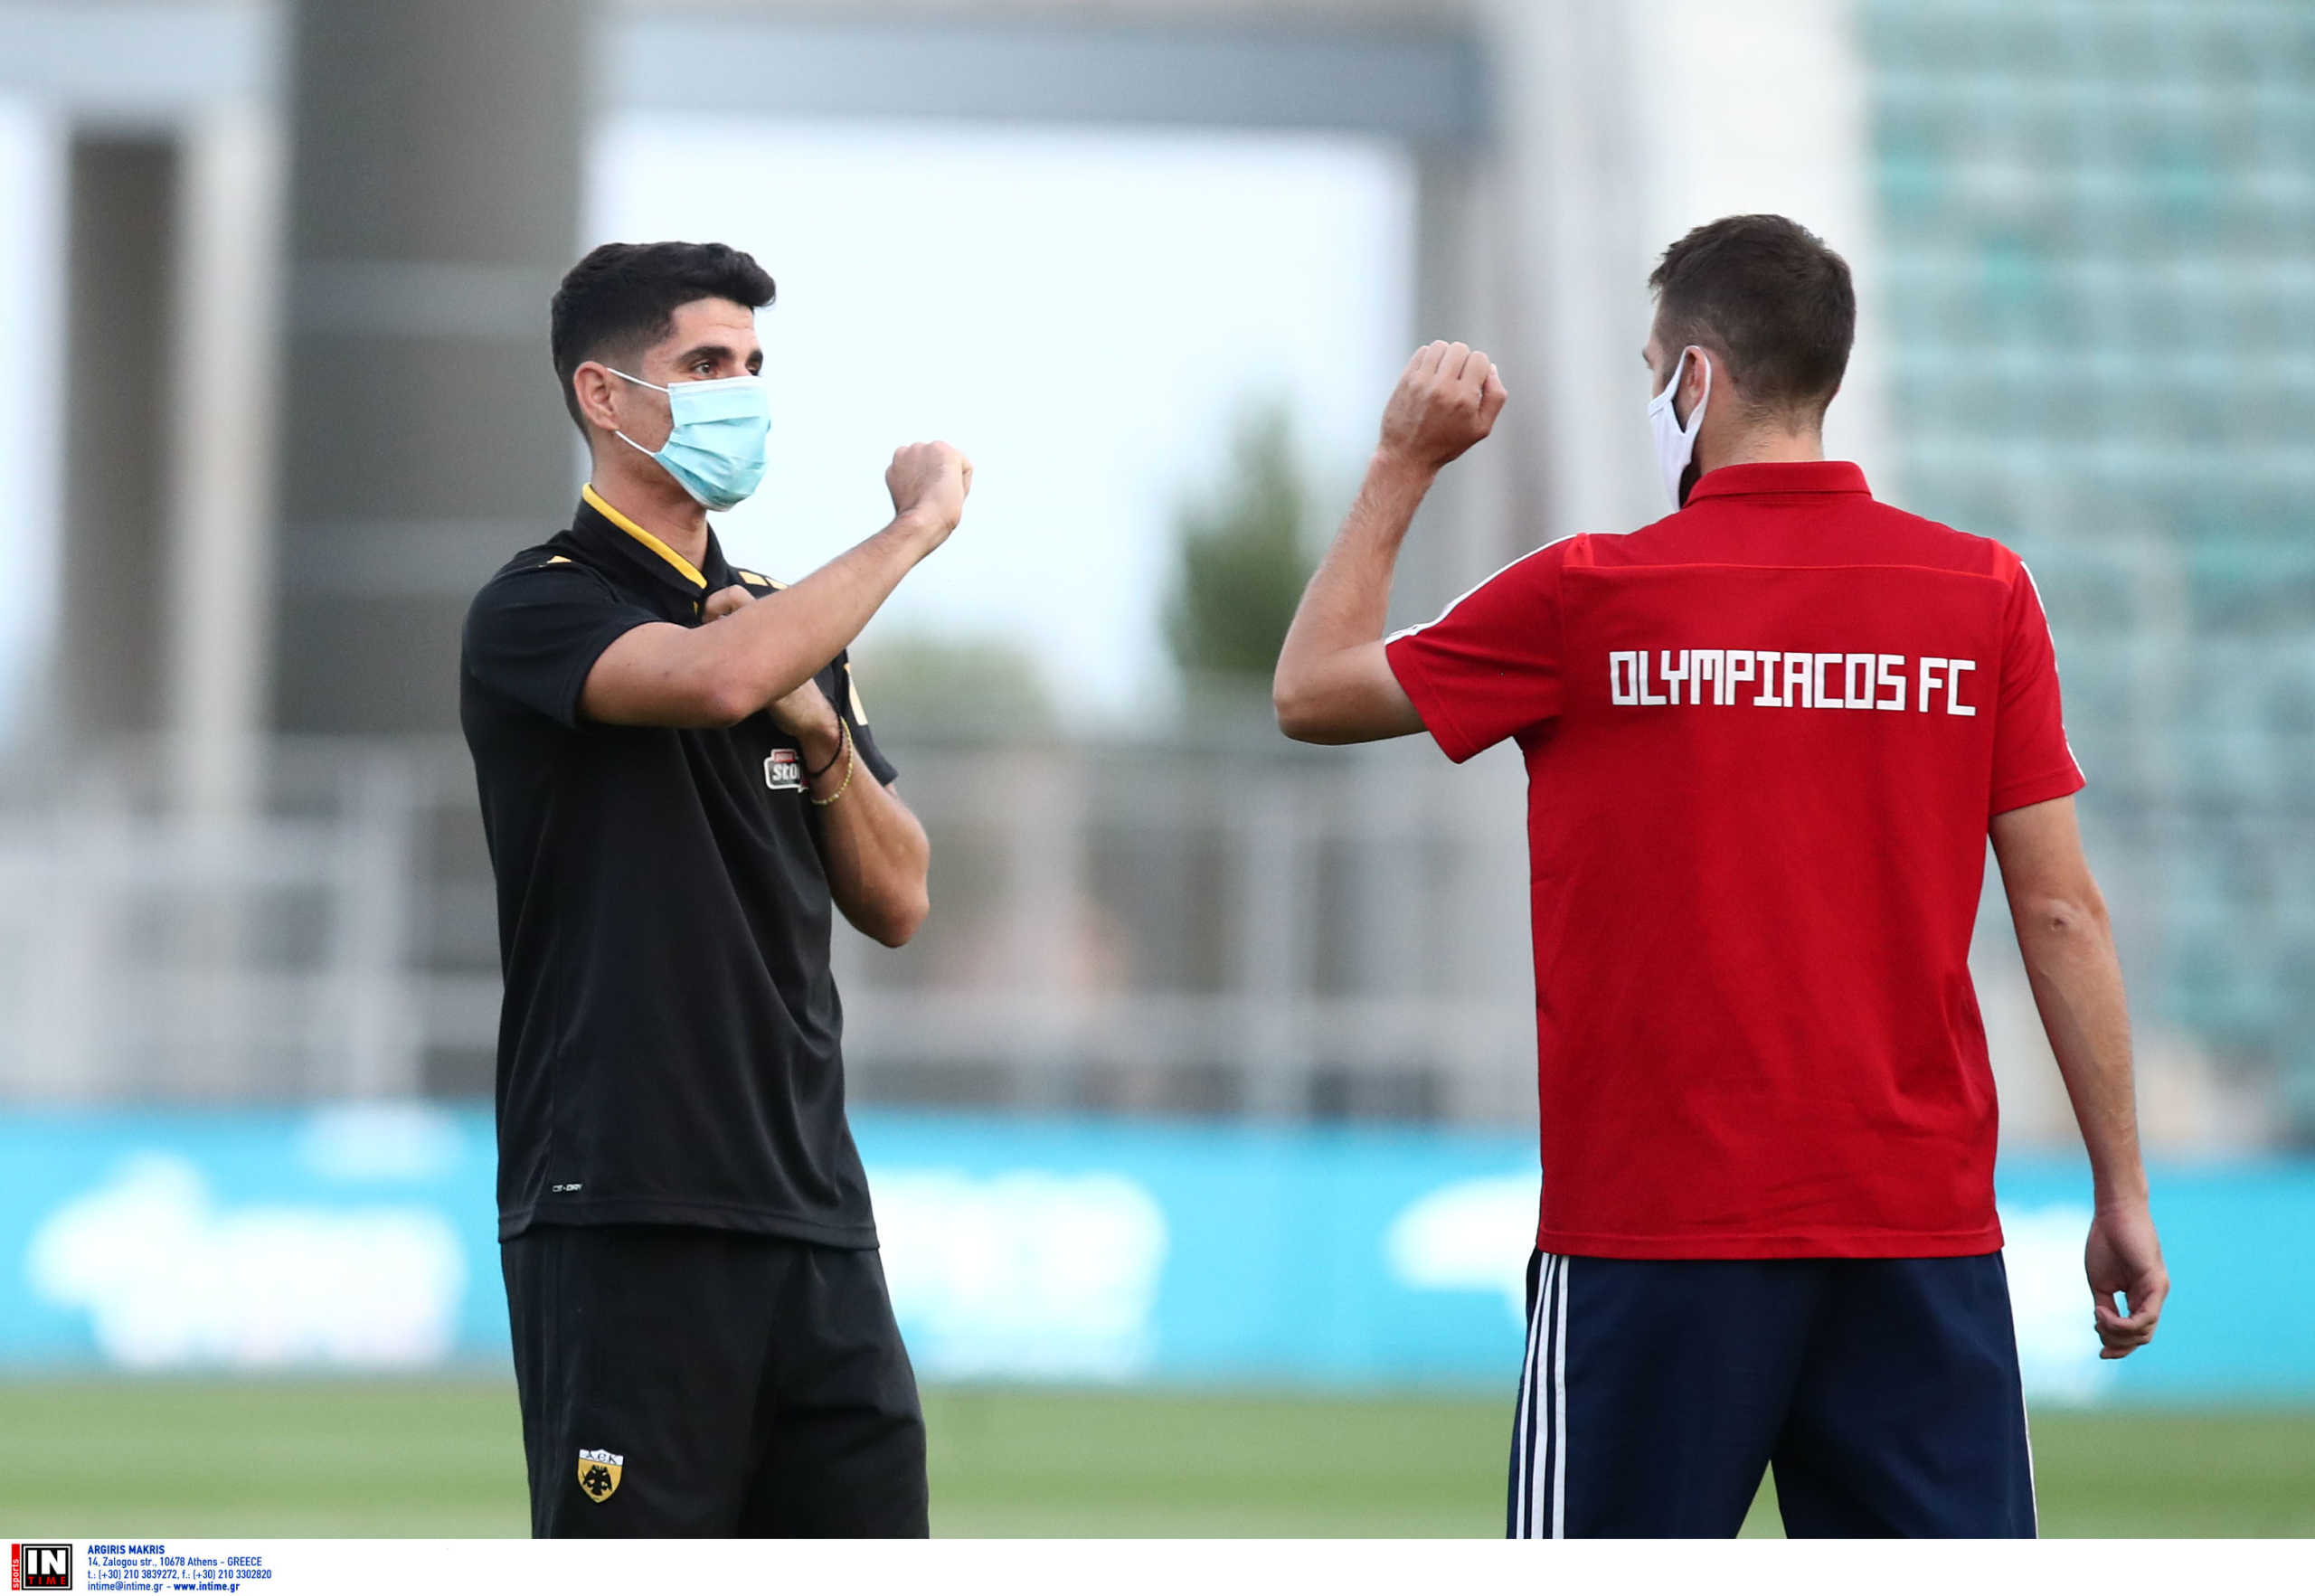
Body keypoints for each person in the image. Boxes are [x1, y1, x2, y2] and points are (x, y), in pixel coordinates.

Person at [1271, 213, 2167, 1538]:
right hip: (1914, 1235)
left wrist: (1406, 461)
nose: (1653, 397)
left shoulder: (1587, 596)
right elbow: (2059, 909)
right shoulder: (1982, 594)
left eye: (1653, 372)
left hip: (1650, 1237)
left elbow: (1309, 690)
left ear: (1697, 377)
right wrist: (2121, 1190)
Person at [458, 240, 970, 1537]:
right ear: (604, 395)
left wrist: (821, 725)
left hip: (814, 1208)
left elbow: (900, 898)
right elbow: (711, 680)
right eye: (704, 364)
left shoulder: (788, 623)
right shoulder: (538, 606)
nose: (740, 392)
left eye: (750, 365)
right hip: (629, 1205)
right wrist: (912, 529)